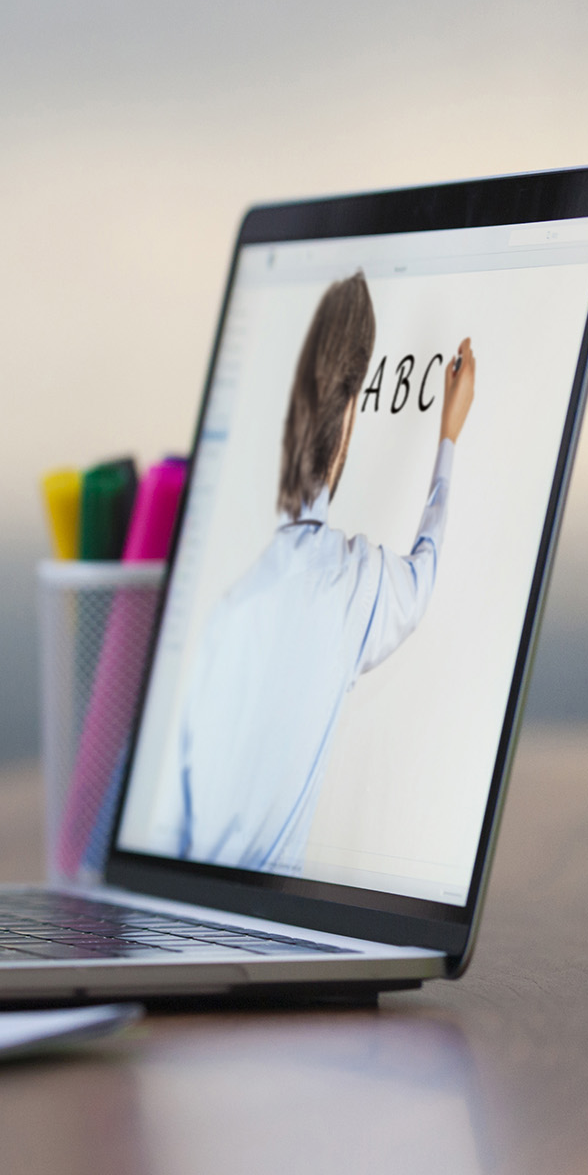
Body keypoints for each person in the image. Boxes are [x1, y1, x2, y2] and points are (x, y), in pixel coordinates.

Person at [175, 270, 474, 872]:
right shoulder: (348, 582)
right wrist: (448, 436)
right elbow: (420, 578)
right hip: (266, 927)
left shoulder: (229, 607)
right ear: (347, 422)